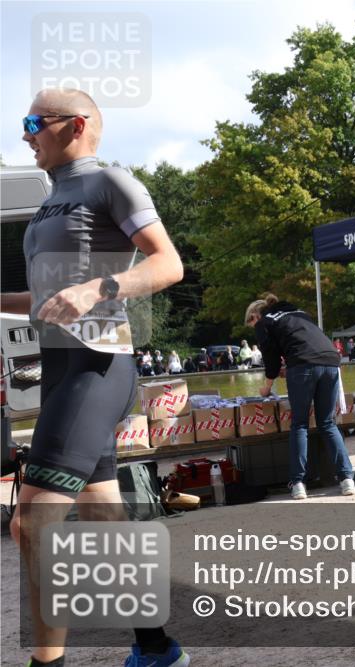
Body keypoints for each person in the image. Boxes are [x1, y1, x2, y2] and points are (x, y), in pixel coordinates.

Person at [3, 88, 188, 667]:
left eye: (34, 121)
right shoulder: (50, 202)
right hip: (60, 369)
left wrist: (98, 288)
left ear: (76, 125)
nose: (25, 133)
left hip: (99, 366)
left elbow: (168, 263)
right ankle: (157, 649)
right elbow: (46, 299)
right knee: (105, 519)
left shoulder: (111, 182)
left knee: (32, 523)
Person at [245, 293, 355, 499]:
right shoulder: (300, 313)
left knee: (300, 424)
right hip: (331, 363)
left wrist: (266, 387)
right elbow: (306, 343)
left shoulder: (264, 323)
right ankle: (347, 478)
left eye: (251, 323)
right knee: (327, 423)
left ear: (255, 316)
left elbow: (271, 360)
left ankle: (298, 483)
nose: (253, 328)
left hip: (303, 366)